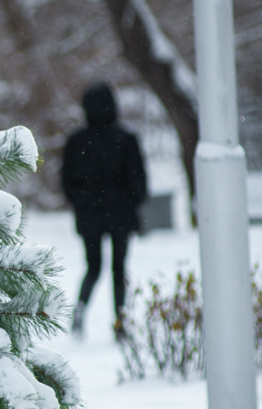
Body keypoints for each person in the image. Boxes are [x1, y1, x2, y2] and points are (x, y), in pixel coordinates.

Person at [60, 81, 148, 340]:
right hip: (120, 214)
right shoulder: (126, 139)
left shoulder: (77, 141)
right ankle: (121, 323)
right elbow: (139, 181)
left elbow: (67, 182)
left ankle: (79, 313)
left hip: (89, 215)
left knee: (93, 266)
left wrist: (82, 202)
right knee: (119, 269)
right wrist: (130, 201)